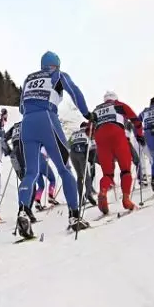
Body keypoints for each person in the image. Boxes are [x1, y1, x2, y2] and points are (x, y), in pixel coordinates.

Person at [15, 51, 92, 238]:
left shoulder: (28, 79)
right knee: (64, 169)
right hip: (47, 119)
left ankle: (23, 211)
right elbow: (74, 91)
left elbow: (21, 107)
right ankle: (74, 216)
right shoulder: (57, 74)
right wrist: (87, 114)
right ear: (56, 64)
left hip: (27, 123)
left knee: (31, 172)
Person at [93, 91, 145, 214]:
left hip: (100, 138)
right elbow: (136, 120)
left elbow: (89, 129)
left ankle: (103, 191)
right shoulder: (119, 105)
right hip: (117, 135)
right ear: (115, 98)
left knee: (107, 174)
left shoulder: (96, 110)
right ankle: (126, 199)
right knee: (125, 169)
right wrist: (139, 135)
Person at [68, 122, 97, 205]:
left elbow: (68, 144)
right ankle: (88, 194)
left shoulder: (74, 133)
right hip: (82, 154)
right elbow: (94, 147)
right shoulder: (88, 131)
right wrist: (92, 161)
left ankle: (81, 198)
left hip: (73, 154)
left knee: (79, 176)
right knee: (86, 176)